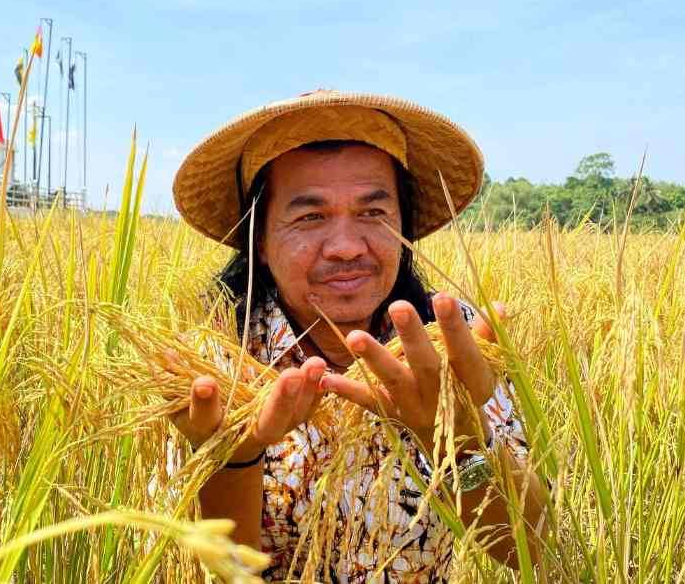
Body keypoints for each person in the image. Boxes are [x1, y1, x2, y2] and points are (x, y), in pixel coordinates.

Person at [170, 90, 548, 581]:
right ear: (259, 241)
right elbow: (213, 569)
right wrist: (235, 457)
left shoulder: (454, 346)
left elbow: (533, 548)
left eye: (373, 213)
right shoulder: (214, 362)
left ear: (404, 227)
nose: (347, 247)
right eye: (310, 217)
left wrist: (458, 443)